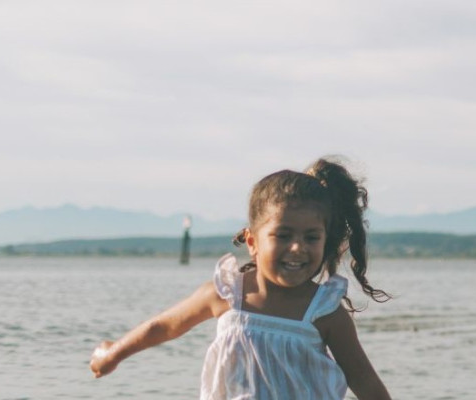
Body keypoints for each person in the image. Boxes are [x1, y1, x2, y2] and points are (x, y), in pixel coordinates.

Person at [89, 156, 391, 400]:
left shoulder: (324, 312)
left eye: (311, 237)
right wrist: (112, 354)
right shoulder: (226, 294)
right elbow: (164, 327)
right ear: (252, 242)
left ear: (325, 241)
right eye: (283, 235)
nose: (297, 247)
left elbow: (363, 380)